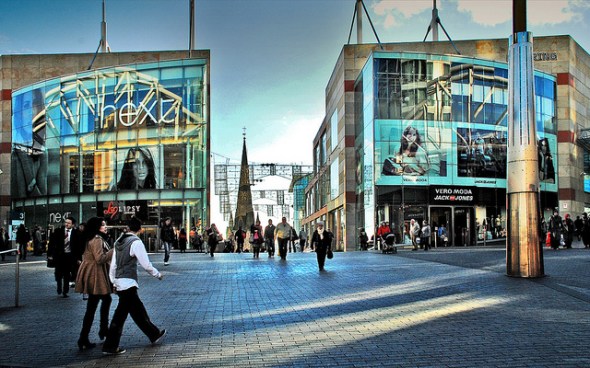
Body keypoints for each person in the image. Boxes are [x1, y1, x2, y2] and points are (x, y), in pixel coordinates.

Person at [102, 217, 165, 355]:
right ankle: (110, 346)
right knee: (120, 316)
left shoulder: (119, 241)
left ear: (128, 227)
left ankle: (153, 333)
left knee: (137, 310)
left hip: (120, 282)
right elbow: (146, 265)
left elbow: (113, 264)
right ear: (140, 229)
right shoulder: (136, 242)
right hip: (128, 283)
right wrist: (157, 274)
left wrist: (113, 281)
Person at [75, 217, 114, 351]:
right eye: (103, 225)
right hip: (96, 274)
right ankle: (102, 330)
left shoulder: (88, 237)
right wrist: (112, 251)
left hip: (90, 273)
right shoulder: (97, 239)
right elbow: (100, 259)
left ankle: (85, 337)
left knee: (93, 306)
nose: (105, 226)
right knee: (103, 301)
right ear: (97, 227)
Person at [47, 217, 81, 298]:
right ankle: (59, 286)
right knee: (58, 273)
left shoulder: (76, 233)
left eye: (69, 223)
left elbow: (79, 247)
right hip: (59, 256)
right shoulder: (58, 231)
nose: (66, 224)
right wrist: (50, 254)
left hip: (69, 256)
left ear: (73, 224)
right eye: (66, 222)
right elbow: (51, 243)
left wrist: (79, 258)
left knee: (67, 274)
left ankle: (65, 291)